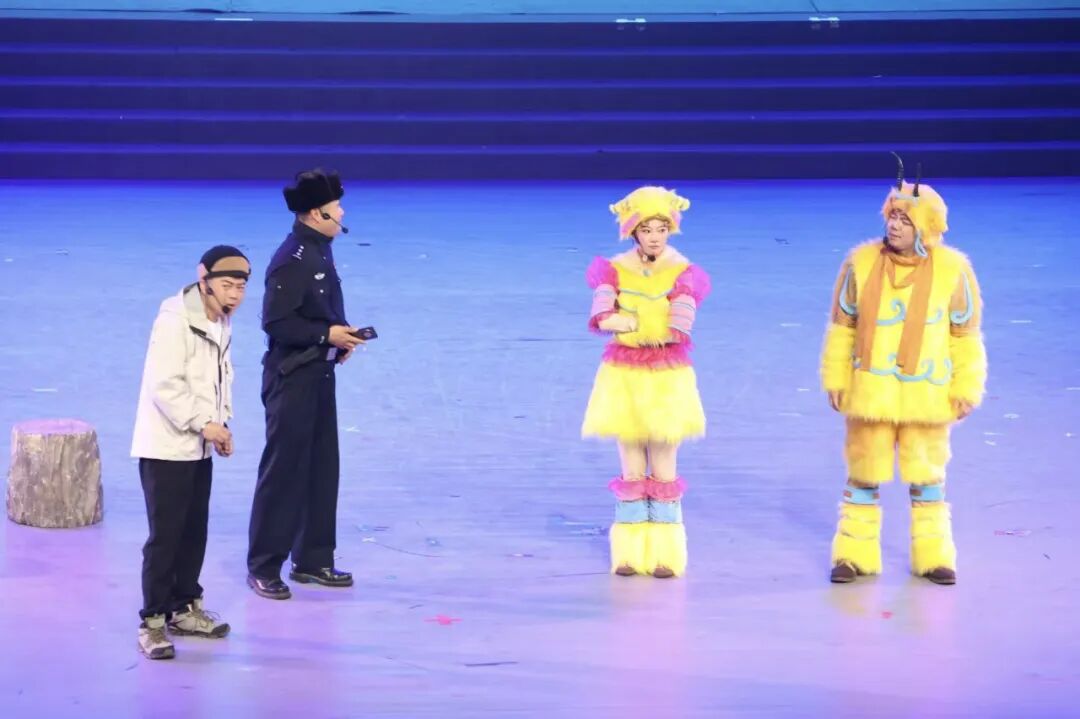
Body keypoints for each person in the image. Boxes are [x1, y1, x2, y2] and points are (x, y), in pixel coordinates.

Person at [820, 158, 987, 585]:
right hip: (871, 391)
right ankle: (853, 554)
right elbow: (843, 325)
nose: (894, 226)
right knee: (863, 473)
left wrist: (966, 386)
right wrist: (837, 378)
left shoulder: (953, 271)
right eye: (892, 216)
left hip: (926, 394)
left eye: (905, 219)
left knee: (927, 476)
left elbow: (964, 334)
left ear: (926, 227)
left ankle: (933, 556)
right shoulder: (860, 264)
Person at [246, 168, 365, 600]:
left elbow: (318, 309)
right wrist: (323, 335)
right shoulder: (292, 258)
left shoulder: (320, 249)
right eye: (336, 207)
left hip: (319, 372)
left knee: (321, 468)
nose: (342, 213)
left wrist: (339, 337)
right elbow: (276, 322)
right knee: (284, 472)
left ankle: (313, 559)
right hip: (292, 378)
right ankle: (263, 565)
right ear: (317, 213)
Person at [582, 186, 711, 578]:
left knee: (664, 459)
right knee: (632, 461)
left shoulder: (682, 271)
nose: (655, 237)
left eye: (661, 229)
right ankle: (629, 551)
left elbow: (681, 324)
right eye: (647, 229)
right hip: (626, 373)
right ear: (633, 231)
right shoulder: (615, 269)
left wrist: (653, 323)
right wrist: (624, 322)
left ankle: (665, 554)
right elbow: (602, 315)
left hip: (666, 373)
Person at [131, 245, 251, 659]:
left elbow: (220, 377)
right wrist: (204, 424)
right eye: (227, 285)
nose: (234, 294)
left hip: (199, 447)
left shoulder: (220, 320)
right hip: (166, 447)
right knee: (165, 537)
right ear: (205, 282)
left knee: (194, 531)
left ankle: (184, 608)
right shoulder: (174, 320)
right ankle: (152, 622)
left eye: (240, 287)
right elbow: (164, 386)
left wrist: (221, 425)